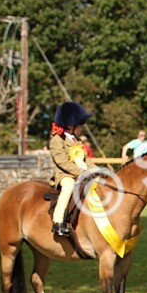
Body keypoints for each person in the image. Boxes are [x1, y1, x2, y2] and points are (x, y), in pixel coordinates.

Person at [49, 101, 94, 237]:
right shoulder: (57, 140)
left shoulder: (77, 141)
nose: (82, 127)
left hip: (81, 174)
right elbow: (62, 162)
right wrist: (82, 172)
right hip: (65, 175)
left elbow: (86, 159)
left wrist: (97, 170)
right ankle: (58, 222)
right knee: (69, 186)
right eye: (80, 124)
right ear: (70, 125)